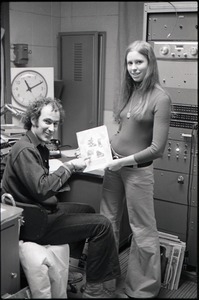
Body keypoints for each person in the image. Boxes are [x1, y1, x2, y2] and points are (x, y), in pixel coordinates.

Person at [1, 97, 121, 298]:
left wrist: (69, 167)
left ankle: (69, 268)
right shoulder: (25, 150)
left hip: (38, 210)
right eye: (47, 122)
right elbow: (42, 189)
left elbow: (41, 185)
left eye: (55, 123)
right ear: (33, 119)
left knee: (87, 210)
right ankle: (94, 289)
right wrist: (69, 167)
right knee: (102, 224)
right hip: (35, 221)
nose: (52, 128)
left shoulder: (37, 146)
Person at [100, 40, 171, 298]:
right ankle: (107, 281)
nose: (133, 67)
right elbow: (122, 132)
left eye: (138, 62)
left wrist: (122, 162)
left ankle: (142, 290)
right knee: (106, 224)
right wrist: (101, 148)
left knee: (142, 229)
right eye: (129, 63)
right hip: (113, 166)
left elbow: (157, 149)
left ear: (150, 63)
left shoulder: (161, 98)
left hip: (137, 171)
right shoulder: (130, 92)